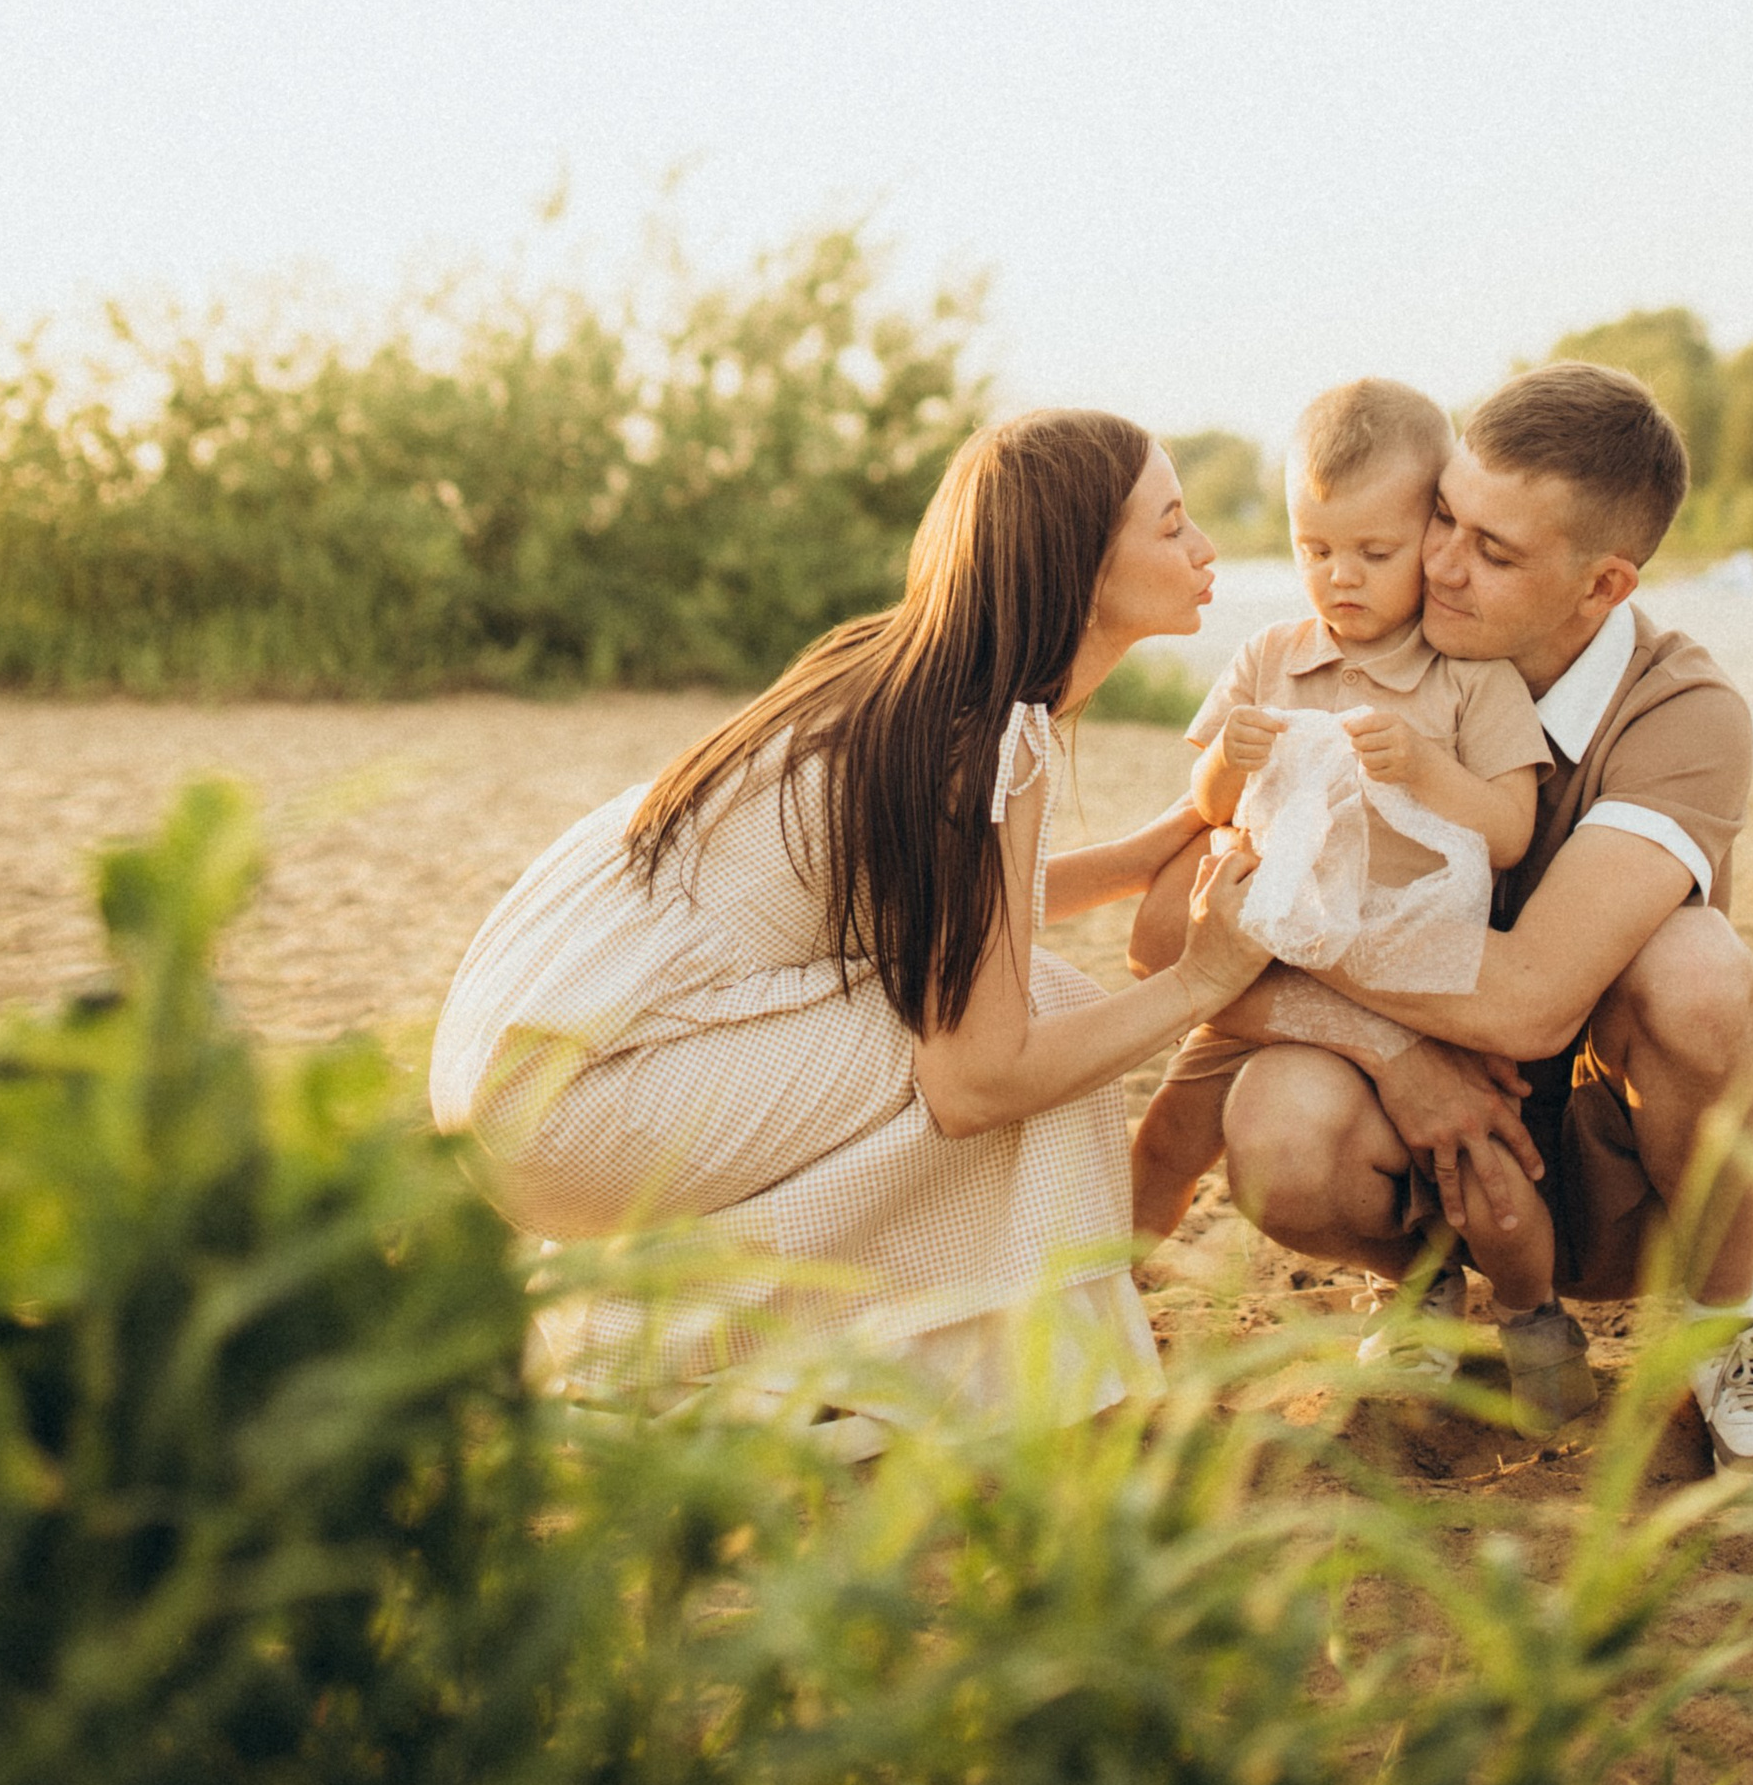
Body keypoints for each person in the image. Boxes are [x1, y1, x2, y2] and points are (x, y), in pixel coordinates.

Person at [428, 412, 1263, 1430]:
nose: (1204, 549)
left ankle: (993, 1361)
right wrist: (1199, 983)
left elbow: (934, 907)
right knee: (1028, 1027)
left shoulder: (911, 676)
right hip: (573, 1102)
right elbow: (976, 1080)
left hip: (523, 1065)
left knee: (1001, 1005)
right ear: (1083, 562)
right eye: (1172, 525)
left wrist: (1132, 864)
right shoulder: (988, 739)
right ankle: (679, 1344)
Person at [1208, 363, 1753, 1491]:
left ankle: (1720, 1325)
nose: (1440, 563)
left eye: (1494, 552)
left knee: (1696, 968)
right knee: (1275, 1127)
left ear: (1599, 587)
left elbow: (1535, 1000)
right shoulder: (1356, 655)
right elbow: (1171, 930)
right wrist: (1391, 1052)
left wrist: (1284, 919)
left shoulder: (1683, 714)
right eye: (1445, 515)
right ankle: (1422, 1285)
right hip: (1416, 1130)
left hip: (1619, 1147)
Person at [1123, 378, 1547, 1249]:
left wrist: (1429, 772)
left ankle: (1509, 1305)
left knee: (1470, 1165)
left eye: (1373, 552)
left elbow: (1510, 832)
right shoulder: (1270, 655)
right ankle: (1108, 1294)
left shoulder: (1469, 676)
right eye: (1313, 550)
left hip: (1403, 964)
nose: (1339, 577)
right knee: (1168, 1134)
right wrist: (1225, 763)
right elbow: (1211, 810)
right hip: (1270, 962)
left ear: (1433, 532)